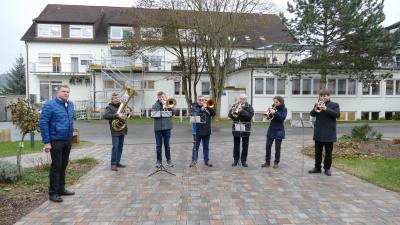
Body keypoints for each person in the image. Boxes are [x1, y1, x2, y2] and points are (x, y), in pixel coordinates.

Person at [40, 85, 75, 203]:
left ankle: (61, 189)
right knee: (56, 166)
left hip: (67, 140)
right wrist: (46, 142)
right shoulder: (49, 105)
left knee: (64, 165)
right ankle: (53, 192)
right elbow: (43, 123)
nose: (66, 93)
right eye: (64, 91)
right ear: (58, 92)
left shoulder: (70, 104)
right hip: (55, 140)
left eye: (68, 92)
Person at [309, 88, 340, 176]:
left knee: (328, 153)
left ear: (329, 96)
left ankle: (327, 168)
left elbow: (337, 115)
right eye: (321, 96)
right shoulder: (317, 104)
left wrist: (325, 108)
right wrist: (316, 108)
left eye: (325, 96)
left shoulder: (335, 105)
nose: (323, 98)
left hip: (329, 133)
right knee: (317, 152)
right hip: (319, 132)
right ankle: (317, 168)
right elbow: (312, 114)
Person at [103, 93, 132, 171]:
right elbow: (105, 116)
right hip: (115, 130)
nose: (117, 99)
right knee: (115, 147)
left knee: (120, 147)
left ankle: (118, 162)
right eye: (115, 98)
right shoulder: (109, 107)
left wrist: (129, 114)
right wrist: (117, 115)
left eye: (118, 97)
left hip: (122, 128)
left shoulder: (122, 106)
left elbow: (126, 115)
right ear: (112, 99)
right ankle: (113, 164)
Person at [228, 94, 254, 167]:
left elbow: (250, 116)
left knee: (245, 145)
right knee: (236, 145)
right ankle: (236, 160)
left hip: (245, 128)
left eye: (243, 99)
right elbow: (229, 115)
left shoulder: (249, 107)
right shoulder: (235, 105)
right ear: (239, 99)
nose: (241, 100)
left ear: (246, 100)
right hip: (236, 127)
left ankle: (243, 161)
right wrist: (232, 111)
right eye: (240, 99)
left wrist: (242, 111)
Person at [189, 96, 216, 167]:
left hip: (207, 131)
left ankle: (206, 161)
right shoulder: (194, 108)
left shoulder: (208, 107)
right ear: (197, 101)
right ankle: (194, 160)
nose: (201, 101)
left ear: (205, 101)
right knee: (195, 147)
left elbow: (214, 114)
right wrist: (201, 109)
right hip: (197, 131)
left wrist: (208, 107)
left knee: (206, 147)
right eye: (200, 100)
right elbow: (192, 115)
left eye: (203, 100)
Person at [261, 96, 287, 169]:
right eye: (274, 102)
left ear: (280, 102)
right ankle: (267, 162)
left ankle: (276, 162)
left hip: (279, 130)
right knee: (268, 146)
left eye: (276, 102)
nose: (275, 103)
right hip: (271, 129)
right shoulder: (272, 108)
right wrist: (268, 114)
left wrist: (275, 113)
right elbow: (269, 118)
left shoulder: (284, 109)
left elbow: (282, 118)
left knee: (277, 148)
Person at [151, 91, 174, 168]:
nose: (162, 98)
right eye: (160, 97)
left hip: (167, 127)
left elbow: (174, 112)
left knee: (167, 145)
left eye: (163, 97)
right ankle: (159, 161)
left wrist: (168, 107)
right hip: (158, 128)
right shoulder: (155, 105)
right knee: (158, 146)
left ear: (165, 97)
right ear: (158, 98)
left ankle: (169, 160)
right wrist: (162, 107)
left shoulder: (169, 103)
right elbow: (152, 114)